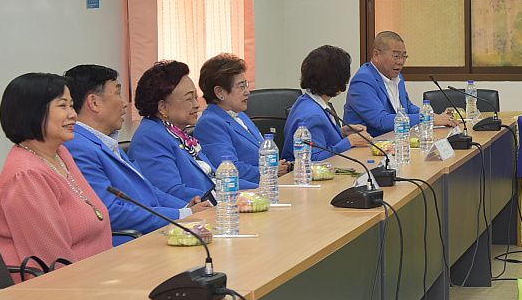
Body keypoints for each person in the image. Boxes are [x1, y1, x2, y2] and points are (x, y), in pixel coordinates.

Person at [0, 72, 113, 279]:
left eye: (71, 106)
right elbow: (54, 263)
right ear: (33, 111)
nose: (73, 114)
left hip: (97, 273)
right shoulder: (26, 176)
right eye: (62, 106)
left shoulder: (60, 153)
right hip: (56, 288)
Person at [64, 64, 206, 245]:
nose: (125, 102)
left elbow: (149, 191)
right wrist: (181, 214)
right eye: (117, 93)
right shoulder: (78, 147)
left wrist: (186, 207)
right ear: (94, 103)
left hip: (151, 235)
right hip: (128, 245)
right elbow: (110, 211)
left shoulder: (105, 141)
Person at [128, 61, 220, 203]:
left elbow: (215, 180)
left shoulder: (178, 133)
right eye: (189, 99)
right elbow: (171, 192)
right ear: (163, 107)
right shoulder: (150, 138)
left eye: (196, 97)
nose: (197, 105)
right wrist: (226, 197)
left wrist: (246, 192)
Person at [192, 53, 286, 189]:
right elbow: (229, 169)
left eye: (246, 85)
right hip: (246, 193)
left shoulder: (240, 115)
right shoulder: (210, 124)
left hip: (269, 186)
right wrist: (271, 172)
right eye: (241, 86)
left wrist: (280, 166)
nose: (247, 92)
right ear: (219, 92)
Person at [344, 31, 455, 136]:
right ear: (376, 55)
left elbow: (408, 107)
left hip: (396, 141)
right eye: (396, 56)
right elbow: (381, 120)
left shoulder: (396, 76)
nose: (400, 62)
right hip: (368, 145)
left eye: (404, 57)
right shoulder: (363, 81)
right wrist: (426, 118)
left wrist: (433, 116)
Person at [285, 45, 374, 159]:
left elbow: (318, 139)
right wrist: (349, 142)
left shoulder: (305, 101)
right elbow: (313, 159)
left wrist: (341, 132)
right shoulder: (313, 115)